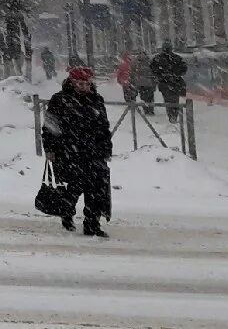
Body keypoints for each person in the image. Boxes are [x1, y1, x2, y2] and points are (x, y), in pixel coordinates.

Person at [42, 66, 113, 238]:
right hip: (68, 152)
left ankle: (92, 223)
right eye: (80, 83)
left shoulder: (96, 100)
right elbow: (50, 127)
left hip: (94, 152)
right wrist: (50, 148)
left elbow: (104, 127)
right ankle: (67, 213)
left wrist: (106, 148)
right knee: (74, 186)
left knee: (97, 189)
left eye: (86, 83)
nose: (83, 87)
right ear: (72, 82)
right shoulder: (60, 100)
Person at [151, 43, 188, 123]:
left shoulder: (158, 58)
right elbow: (184, 69)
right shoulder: (177, 58)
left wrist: (161, 75)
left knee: (168, 100)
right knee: (174, 100)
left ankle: (171, 115)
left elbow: (153, 69)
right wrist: (176, 75)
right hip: (175, 83)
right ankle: (174, 115)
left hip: (165, 83)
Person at [130, 50, 157, 115]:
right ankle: (149, 110)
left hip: (143, 83)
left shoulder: (137, 63)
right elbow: (133, 74)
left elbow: (133, 73)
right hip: (145, 83)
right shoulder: (148, 62)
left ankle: (148, 110)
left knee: (146, 97)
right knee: (147, 97)